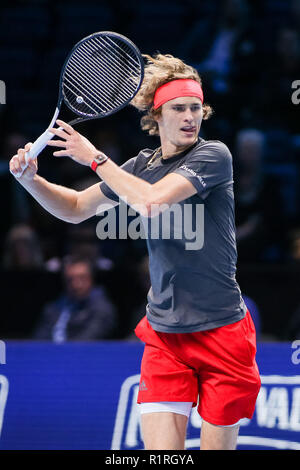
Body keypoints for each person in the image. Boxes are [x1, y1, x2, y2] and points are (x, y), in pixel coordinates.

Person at [9, 53, 261, 450]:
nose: (190, 116)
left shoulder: (214, 156)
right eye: (179, 108)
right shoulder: (139, 166)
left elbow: (152, 202)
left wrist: (94, 157)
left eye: (196, 108)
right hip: (165, 334)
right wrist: (31, 181)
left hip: (222, 331)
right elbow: (75, 208)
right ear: (156, 116)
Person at [33, 255, 117, 342]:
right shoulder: (53, 308)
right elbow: (39, 340)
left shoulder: (102, 309)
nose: (76, 285)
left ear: (92, 279)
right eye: (70, 279)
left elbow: (86, 340)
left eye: (82, 278)